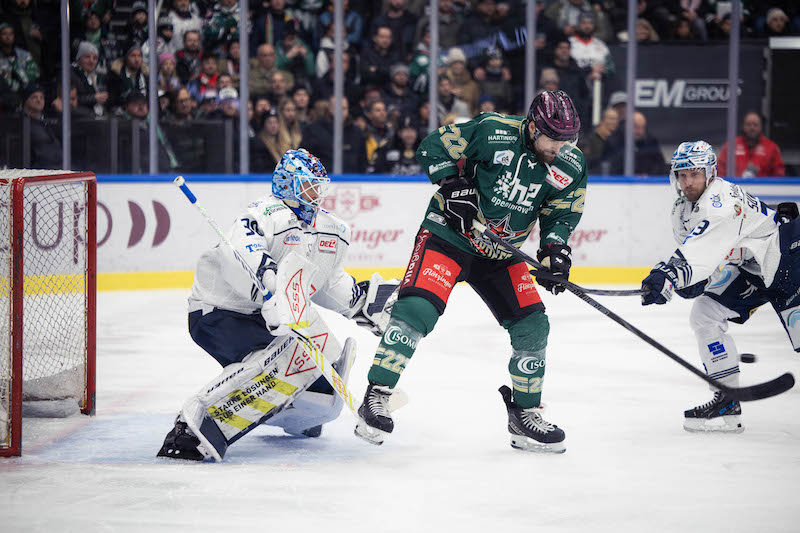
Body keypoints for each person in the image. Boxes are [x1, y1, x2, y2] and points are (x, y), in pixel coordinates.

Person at [354, 90, 588, 453]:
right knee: (417, 310)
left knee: (533, 325)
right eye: (552, 140)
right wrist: (452, 185)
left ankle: (525, 414)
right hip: (449, 236)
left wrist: (555, 250)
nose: (559, 149)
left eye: (567, 141)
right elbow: (432, 147)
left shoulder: (570, 164)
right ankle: (377, 395)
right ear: (532, 126)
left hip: (500, 253)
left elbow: (561, 211)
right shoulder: (492, 130)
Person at [157, 149, 396, 461]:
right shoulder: (264, 214)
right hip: (220, 312)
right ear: (288, 184)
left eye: (318, 186)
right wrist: (268, 288)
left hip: (270, 316)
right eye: (309, 185)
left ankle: (297, 416)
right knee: (285, 360)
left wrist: (364, 304)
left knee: (321, 377)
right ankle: (189, 429)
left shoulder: (328, 228)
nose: (316, 193)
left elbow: (328, 281)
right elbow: (243, 256)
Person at [639, 141, 800, 434]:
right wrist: (693, 280)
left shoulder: (720, 203)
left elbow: (699, 252)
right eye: (682, 174)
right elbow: (707, 258)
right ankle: (727, 399)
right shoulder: (681, 209)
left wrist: (670, 275)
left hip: (788, 261)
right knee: (705, 314)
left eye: (695, 174)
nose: (688, 182)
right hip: (753, 268)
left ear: (710, 174)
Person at [718, 111, 785, 178]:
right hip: (735, 184)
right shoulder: (731, 145)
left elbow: (779, 175)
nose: (752, 128)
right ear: (743, 126)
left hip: (762, 184)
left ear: (761, 127)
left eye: (755, 125)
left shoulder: (771, 147)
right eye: (748, 124)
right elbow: (720, 172)